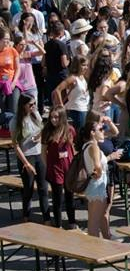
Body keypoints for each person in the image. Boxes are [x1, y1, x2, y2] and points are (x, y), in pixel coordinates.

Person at [12, 94, 48, 223]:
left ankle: (47, 219)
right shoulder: (16, 121)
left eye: (34, 104)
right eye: (31, 104)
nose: (34, 106)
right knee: (28, 189)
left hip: (39, 154)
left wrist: (39, 137)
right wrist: (26, 164)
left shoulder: (35, 114)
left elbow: (43, 130)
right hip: (26, 157)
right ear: (23, 105)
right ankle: (26, 217)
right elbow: (16, 145)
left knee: (43, 188)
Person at [43, 106, 77, 229]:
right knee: (57, 198)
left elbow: (73, 147)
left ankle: (72, 222)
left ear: (62, 117)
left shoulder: (70, 130)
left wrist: (75, 164)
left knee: (70, 196)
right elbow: (43, 151)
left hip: (68, 166)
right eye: (52, 117)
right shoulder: (47, 131)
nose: (53, 120)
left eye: (56, 117)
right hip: (55, 167)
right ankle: (58, 225)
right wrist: (48, 166)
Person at [80, 117, 112, 239]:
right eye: (100, 129)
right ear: (92, 133)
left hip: (95, 186)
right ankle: (94, 248)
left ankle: (106, 239)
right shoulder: (93, 146)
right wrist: (99, 174)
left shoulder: (87, 145)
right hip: (96, 186)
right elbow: (97, 166)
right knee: (93, 223)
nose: (103, 131)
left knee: (99, 217)